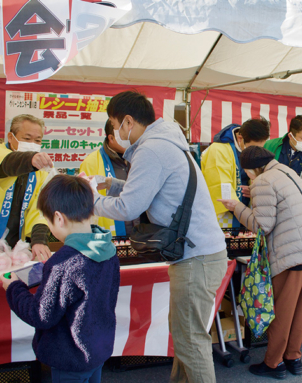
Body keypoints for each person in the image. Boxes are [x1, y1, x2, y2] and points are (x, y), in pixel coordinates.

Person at [93, 91, 227, 383]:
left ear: (128, 121)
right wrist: (112, 184)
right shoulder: (165, 141)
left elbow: (130, 205)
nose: (115, 131)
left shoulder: (151, 149)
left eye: (114, 123)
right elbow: (152, 187)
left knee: (189, 340)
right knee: (185, 335)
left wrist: (91, 201)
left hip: (196, 257)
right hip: (201, 253)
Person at [218, 146, 302, 379]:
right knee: (299, 311)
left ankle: (273, 363)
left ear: (251, 167)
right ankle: (293, 358)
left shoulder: (262, 181)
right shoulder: (286, 171)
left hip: (290, 255)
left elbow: (261, 225)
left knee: (282, 312)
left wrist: (236, 207)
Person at [1, 174, 120, 383]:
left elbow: (41, 315)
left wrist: (14, 287)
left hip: (69, 357)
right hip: (97, 349)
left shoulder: (63, 263)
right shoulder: (108, 249)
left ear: (58, 218)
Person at [0, 114, 52, 261]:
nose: (32, 144)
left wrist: (39, 240)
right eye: (27, 139)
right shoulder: (6, 156)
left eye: (37, 140)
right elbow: (7, 164)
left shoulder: (39, 171)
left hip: (15, 250)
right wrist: (30, 159)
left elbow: (38, 210)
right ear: (11, 137)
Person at [201, 118, 270, 228]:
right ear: (240, 138)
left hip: (246, 209)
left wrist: (254, 189)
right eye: (252, 147)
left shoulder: (248, 143)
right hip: (226, 213)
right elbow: (220, 184)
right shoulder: (218, 149)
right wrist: (238, 208)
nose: (255, 152)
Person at [80, 119, 136, 236]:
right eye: (125, 136)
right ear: (111, 138)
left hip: (142, 236)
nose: (131, 139)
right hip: (109, 238)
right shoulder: (91, 162)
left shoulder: (139, 157)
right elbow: (85, 205)